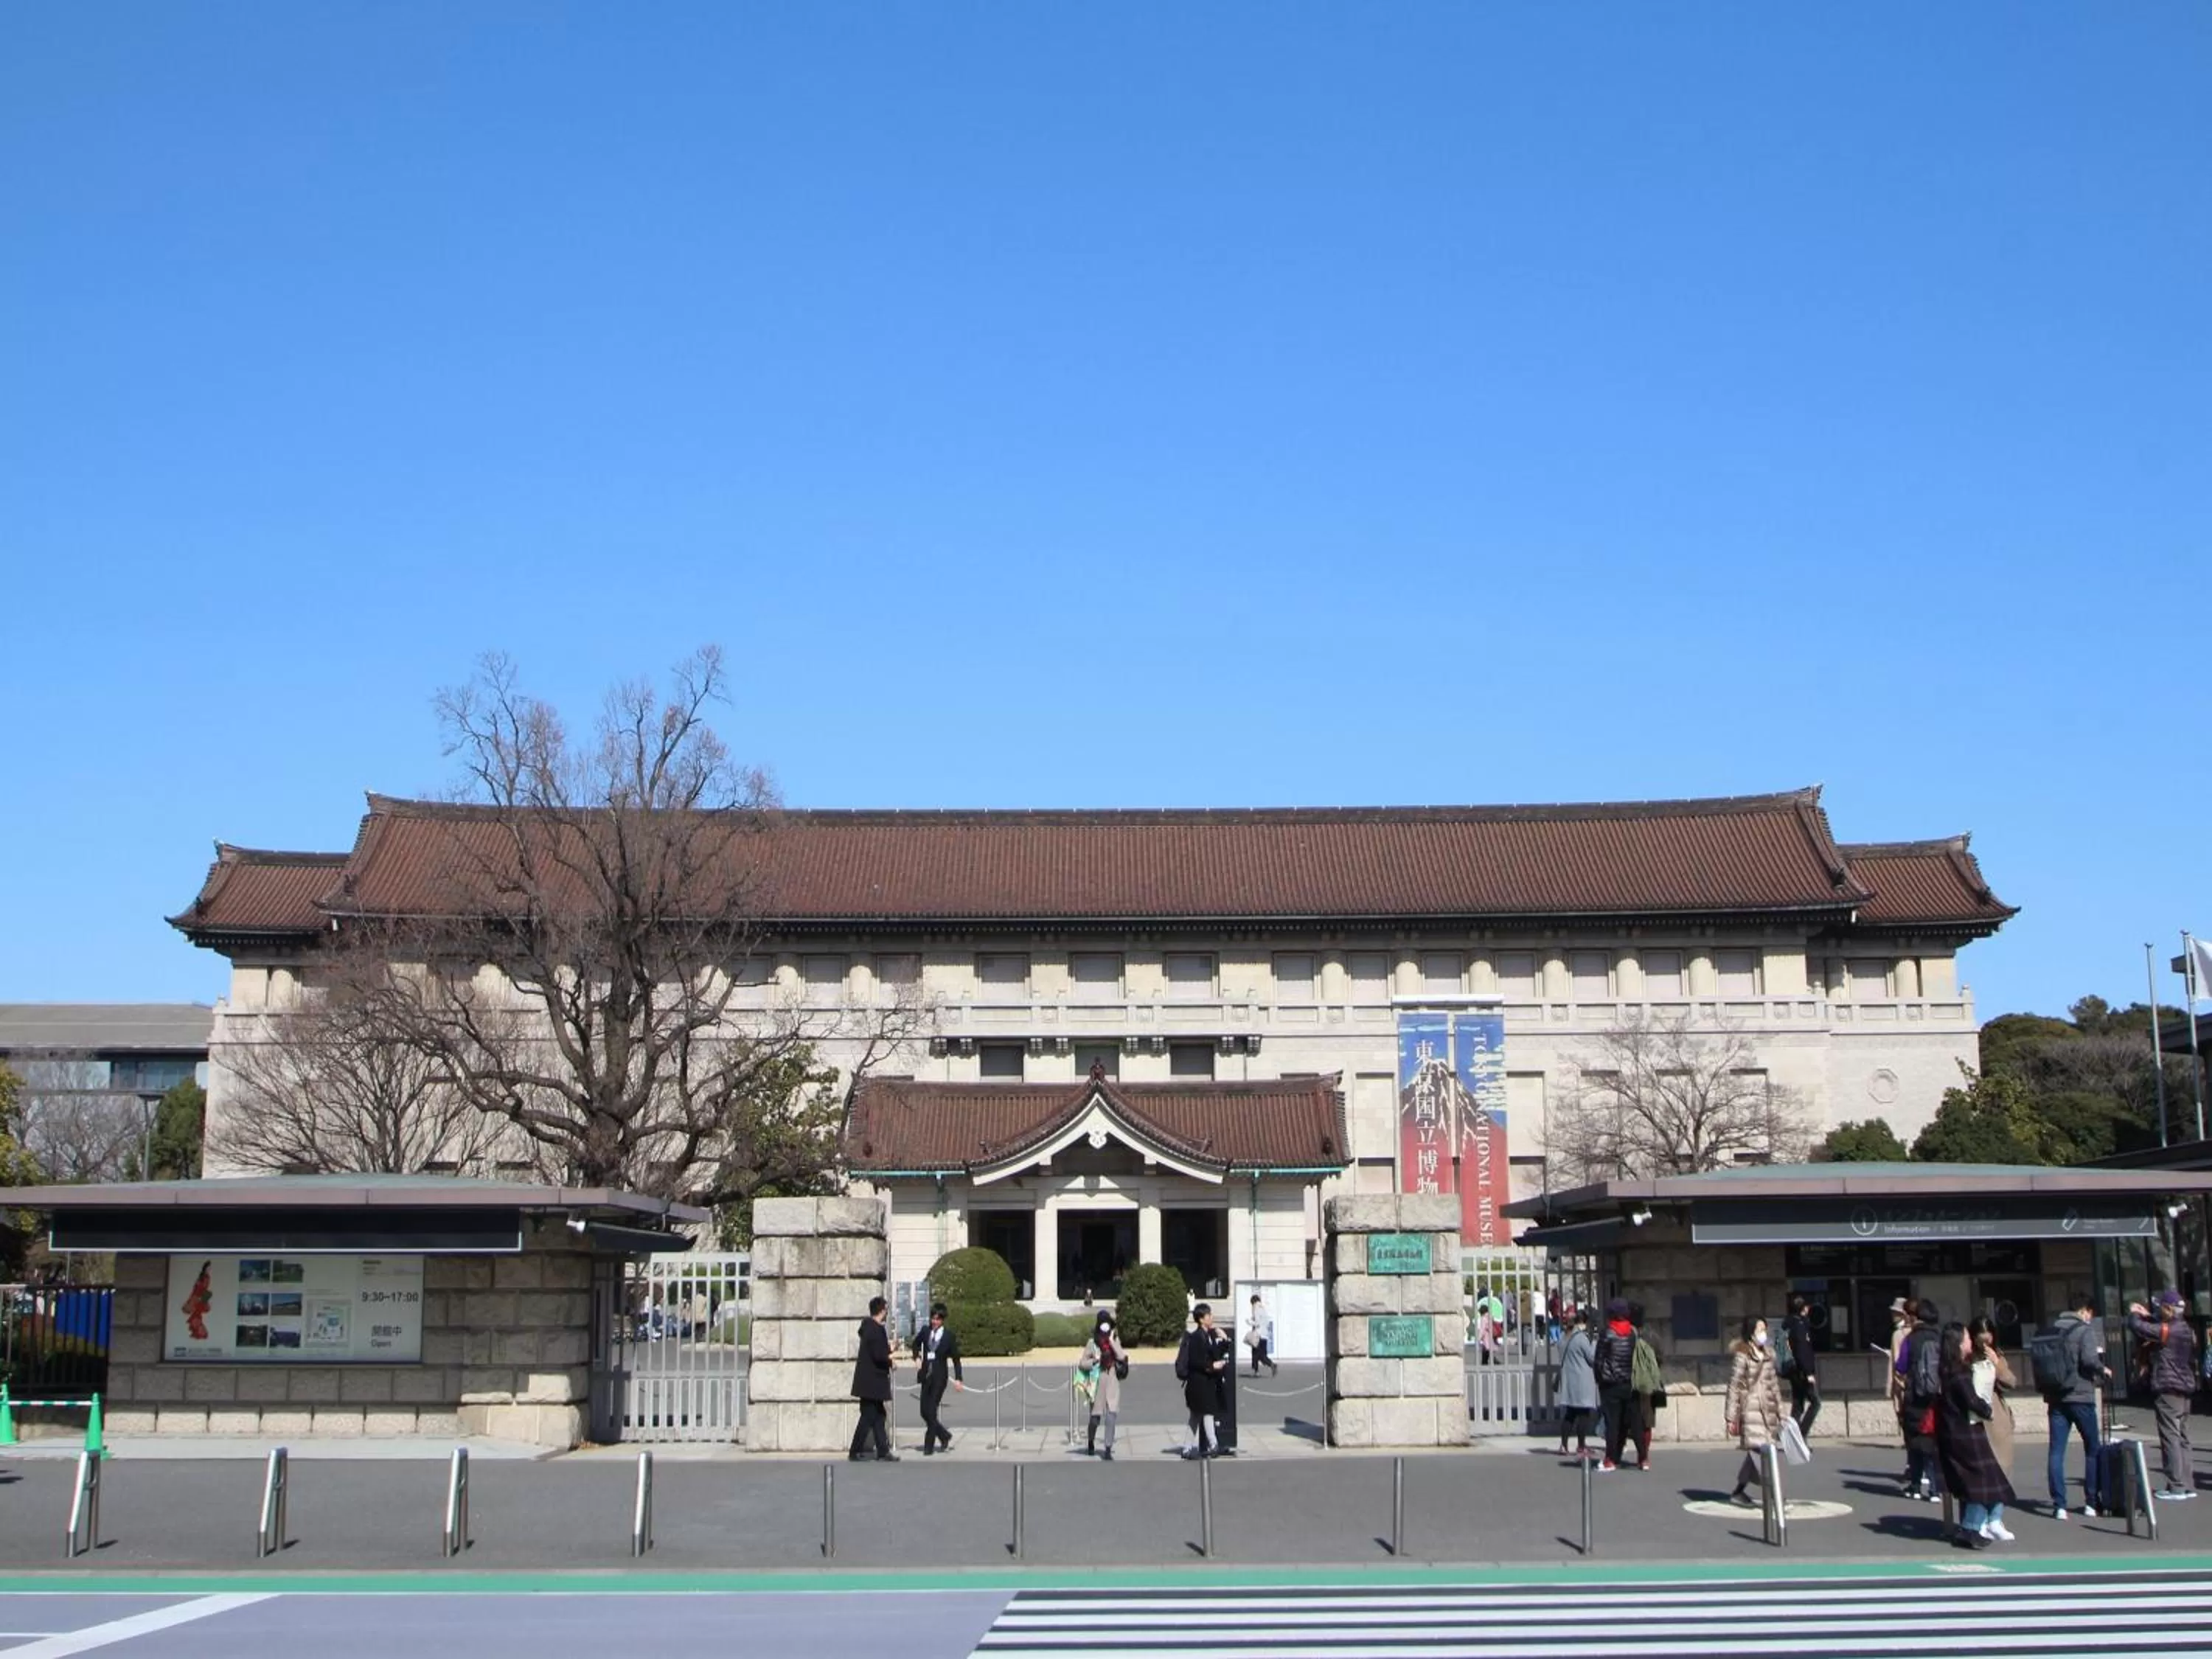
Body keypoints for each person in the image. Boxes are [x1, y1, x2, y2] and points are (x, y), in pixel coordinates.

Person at [1937, 1321, 2017, 1547]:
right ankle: (1972, 1527)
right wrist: (1986, 1408)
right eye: (1969, 1337)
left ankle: (1979, 1525)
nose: (1974, 1341)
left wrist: (1997, 1364)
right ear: (1959, 1343)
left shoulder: (1948, 1369)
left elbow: (2010, 1381)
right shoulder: (1960, 1372)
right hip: (1968, 1432)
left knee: (1978, 1481)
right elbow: (1972, 1401)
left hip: (1962, 1431)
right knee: (1981, 1482)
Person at [2126, 1290, 2199, 1500]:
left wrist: (2135, 1313)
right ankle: (2187, 1484)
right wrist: (2148, 1315)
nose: (2159, 1310)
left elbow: (2139, 1328)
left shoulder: (2170, 1330)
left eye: (2161, 1307)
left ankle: (2176, 1486)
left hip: (2168, 1389)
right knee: (2183, 1438)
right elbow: (2157, 1328)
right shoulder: (2185, 1328)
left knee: (2170, 1437)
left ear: (2168, 1308)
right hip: (2185, 1388)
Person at [2043, 1293, 2110, 1519]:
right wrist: (2103, 1370)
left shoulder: (2053, 1329)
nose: (2090, 1318)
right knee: (2092, 1449)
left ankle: (2059, 1505)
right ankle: (2091, 1502)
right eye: (2090, 1313)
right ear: (2084, 1311)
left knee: (2056, 1452)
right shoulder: (2085, 1331)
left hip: (2057, 1399)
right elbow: (2090, 1360)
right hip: (2081, 1397)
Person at [1725, 1315, 1784, 1506]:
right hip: (1750, 1409)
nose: (1763, 1333)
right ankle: (1774, 1495)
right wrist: (1730, 1416)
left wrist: (1781, 1411)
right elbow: (1734, 1386)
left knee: (1762, 1451)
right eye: (1760, 1329)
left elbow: (1774, 1385)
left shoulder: (1768, 1354)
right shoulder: (1742, 1355)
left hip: (1768, 1410)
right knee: (1760, 1452)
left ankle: (1738, 1491)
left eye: (1764, 1329)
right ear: (1751, 1332)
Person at [1896, 1298, 1943, 1501]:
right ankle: (1935, 1489)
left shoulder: (1911, 1339)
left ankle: (1915, 1486)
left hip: (1915, 1395)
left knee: (1915, 1441)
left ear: (1916, 1318)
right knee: (1933, 1444)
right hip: (1936, 1398)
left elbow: (1901, 1366)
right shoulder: (1940, 1338)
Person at [848, 1294, 900, 1462]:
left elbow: (877, 1351)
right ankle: (855, 1451)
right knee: (868, 1417)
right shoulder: (875, 1329)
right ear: (882, 1310)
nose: (887, 1313)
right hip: (872, 1382)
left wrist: (889, 1350)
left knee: (879, 1416)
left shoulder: (868, 1328)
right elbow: (879, 1355)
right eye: (886, 1309)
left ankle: (883, 1451)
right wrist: (891, 1360)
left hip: (868, 1381)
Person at [1176, 1302, 1231, 1458]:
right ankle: (1211, 1444)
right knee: (1204, 1413)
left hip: (1206, 1383)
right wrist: (1213, 1365)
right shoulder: (1196, 1338)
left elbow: (1216, 1353)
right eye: (1208, 1316)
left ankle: (1189, 1448)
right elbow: (1196, 1361)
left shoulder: (1209, 1335)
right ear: (1201, 1319)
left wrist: (1225, 1339)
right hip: (1198, 1384)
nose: (1211, 1318)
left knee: (1199, 1415)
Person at [1593, 1298, 1641, 1472]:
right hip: (1628, 1381)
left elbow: (1599, 1360)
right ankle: (1639, 1458)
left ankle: (1610, 1459)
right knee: (1627, 1422)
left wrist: (1600, 1379)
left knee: (1612, 1423)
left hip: (1610, 1383)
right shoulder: (1632, 1332)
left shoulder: (1608, 1333)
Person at [910, 1300, 964, 1455]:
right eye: (933, 1318)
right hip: (926, 1376)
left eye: (938, 1319)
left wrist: (959, 1378)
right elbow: (915, 1344)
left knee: (932, 1410)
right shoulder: (926, 1331)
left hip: (940, 1378)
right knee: (923, 1411)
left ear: (943, 1320)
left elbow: (956, 1359)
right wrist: (917, 1357)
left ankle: (929, 1446)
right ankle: (944, 1435)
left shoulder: (948, 1337)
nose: (935, 1322)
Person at [1968, 1314, 2017, 1478]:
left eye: (1988, 1341)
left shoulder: (1998, 1356)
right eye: (1980, 1341)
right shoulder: (1967, 1358)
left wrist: (1997, 1364)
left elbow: (2010, 1383)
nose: (1984, 1346)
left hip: (1996, 1419)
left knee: (2000, 1469)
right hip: (1973, 1416)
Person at [1079, 1309, 1124, 1460]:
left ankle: (1108, 1448)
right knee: (1095, 1418)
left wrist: (1111, 1341)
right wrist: (1095, 1361)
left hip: (1112, 1380)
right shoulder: (1092, 1343)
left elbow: (1122, 1356)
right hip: (1097, 1382)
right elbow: (1082, 1364)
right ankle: (1091, 1440)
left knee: (1111, 1415)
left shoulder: (1114, 1340)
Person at [1556, 1306, 1601, 1459]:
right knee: (1583, 1414)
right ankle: (1581, 1445)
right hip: (1582, 1380)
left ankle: (1564, 1444)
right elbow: (1592, 1358)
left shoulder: (1563, 1338)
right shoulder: (1581, 1339)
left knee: (1570, 1414)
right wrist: (1594, 1343)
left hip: (1569, 1380)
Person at [1628, 1300, 1663, 1470]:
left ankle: (1626, 1453)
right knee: (1647, 1422)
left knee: (1630, 1420)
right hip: (1649, 1383)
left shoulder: (1627, 1335)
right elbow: (1660, 1358)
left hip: (1631, 1382)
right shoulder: (1653, 1336)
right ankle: (1644, 1457)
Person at [1784, 1293, 1820, 1437]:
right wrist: (1809, 1373)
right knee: (1816, 1403)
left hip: (1794, 1370)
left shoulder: (1789, 1323)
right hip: (1801, 1371)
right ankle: (1800, 1434)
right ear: (1803, 1308)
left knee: (1798, 1404)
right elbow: (1802, 1350)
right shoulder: (1800, 1325)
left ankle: (1792, 1437)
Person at [1245, 1294, 1277, 1377]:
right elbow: (1265, 1322)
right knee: (1262, 1355)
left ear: (1253, 1302)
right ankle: (1270, 1365)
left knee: (1256, 1354)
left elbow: (1257, 1323)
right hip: (1265, 1335)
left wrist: (1249, 1322)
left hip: (1258, 1335)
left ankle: (1258, 1371)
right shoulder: (1263, 1309)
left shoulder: (1256, 1309)